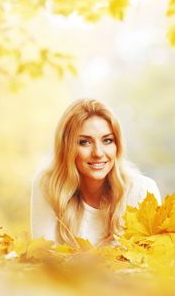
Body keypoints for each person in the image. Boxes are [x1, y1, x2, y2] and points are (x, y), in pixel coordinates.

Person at [30, 98, 161, 246]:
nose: (98, 153)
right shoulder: (48, 185)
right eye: (85, 142)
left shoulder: (142, 191)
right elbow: (43, 256)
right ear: (66, 147)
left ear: (117, 145)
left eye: (107, 140)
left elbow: (153, 262)